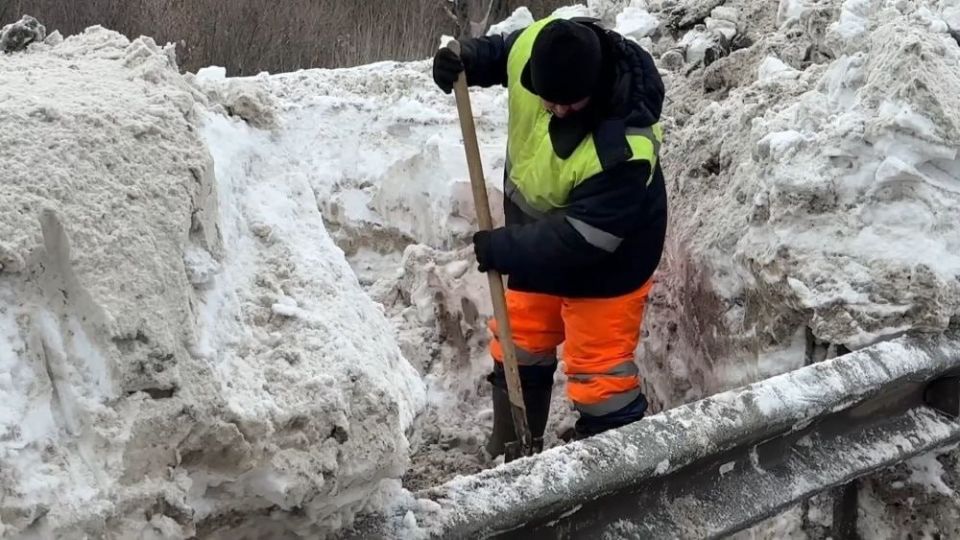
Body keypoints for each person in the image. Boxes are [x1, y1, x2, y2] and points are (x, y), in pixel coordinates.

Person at [431, 15, 667, 457]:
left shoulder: (623, 145)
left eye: (568, 104)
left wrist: (505, 248)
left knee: (601, 378)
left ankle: (610, 470)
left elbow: (584, 239)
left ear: (594, 87)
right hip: (538, 238)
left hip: (609, 258)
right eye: (547, 97)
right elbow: (505, 52)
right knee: (519, 342)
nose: (553, 109)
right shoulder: (541, 46)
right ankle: (515, 447)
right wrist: (467, 59)